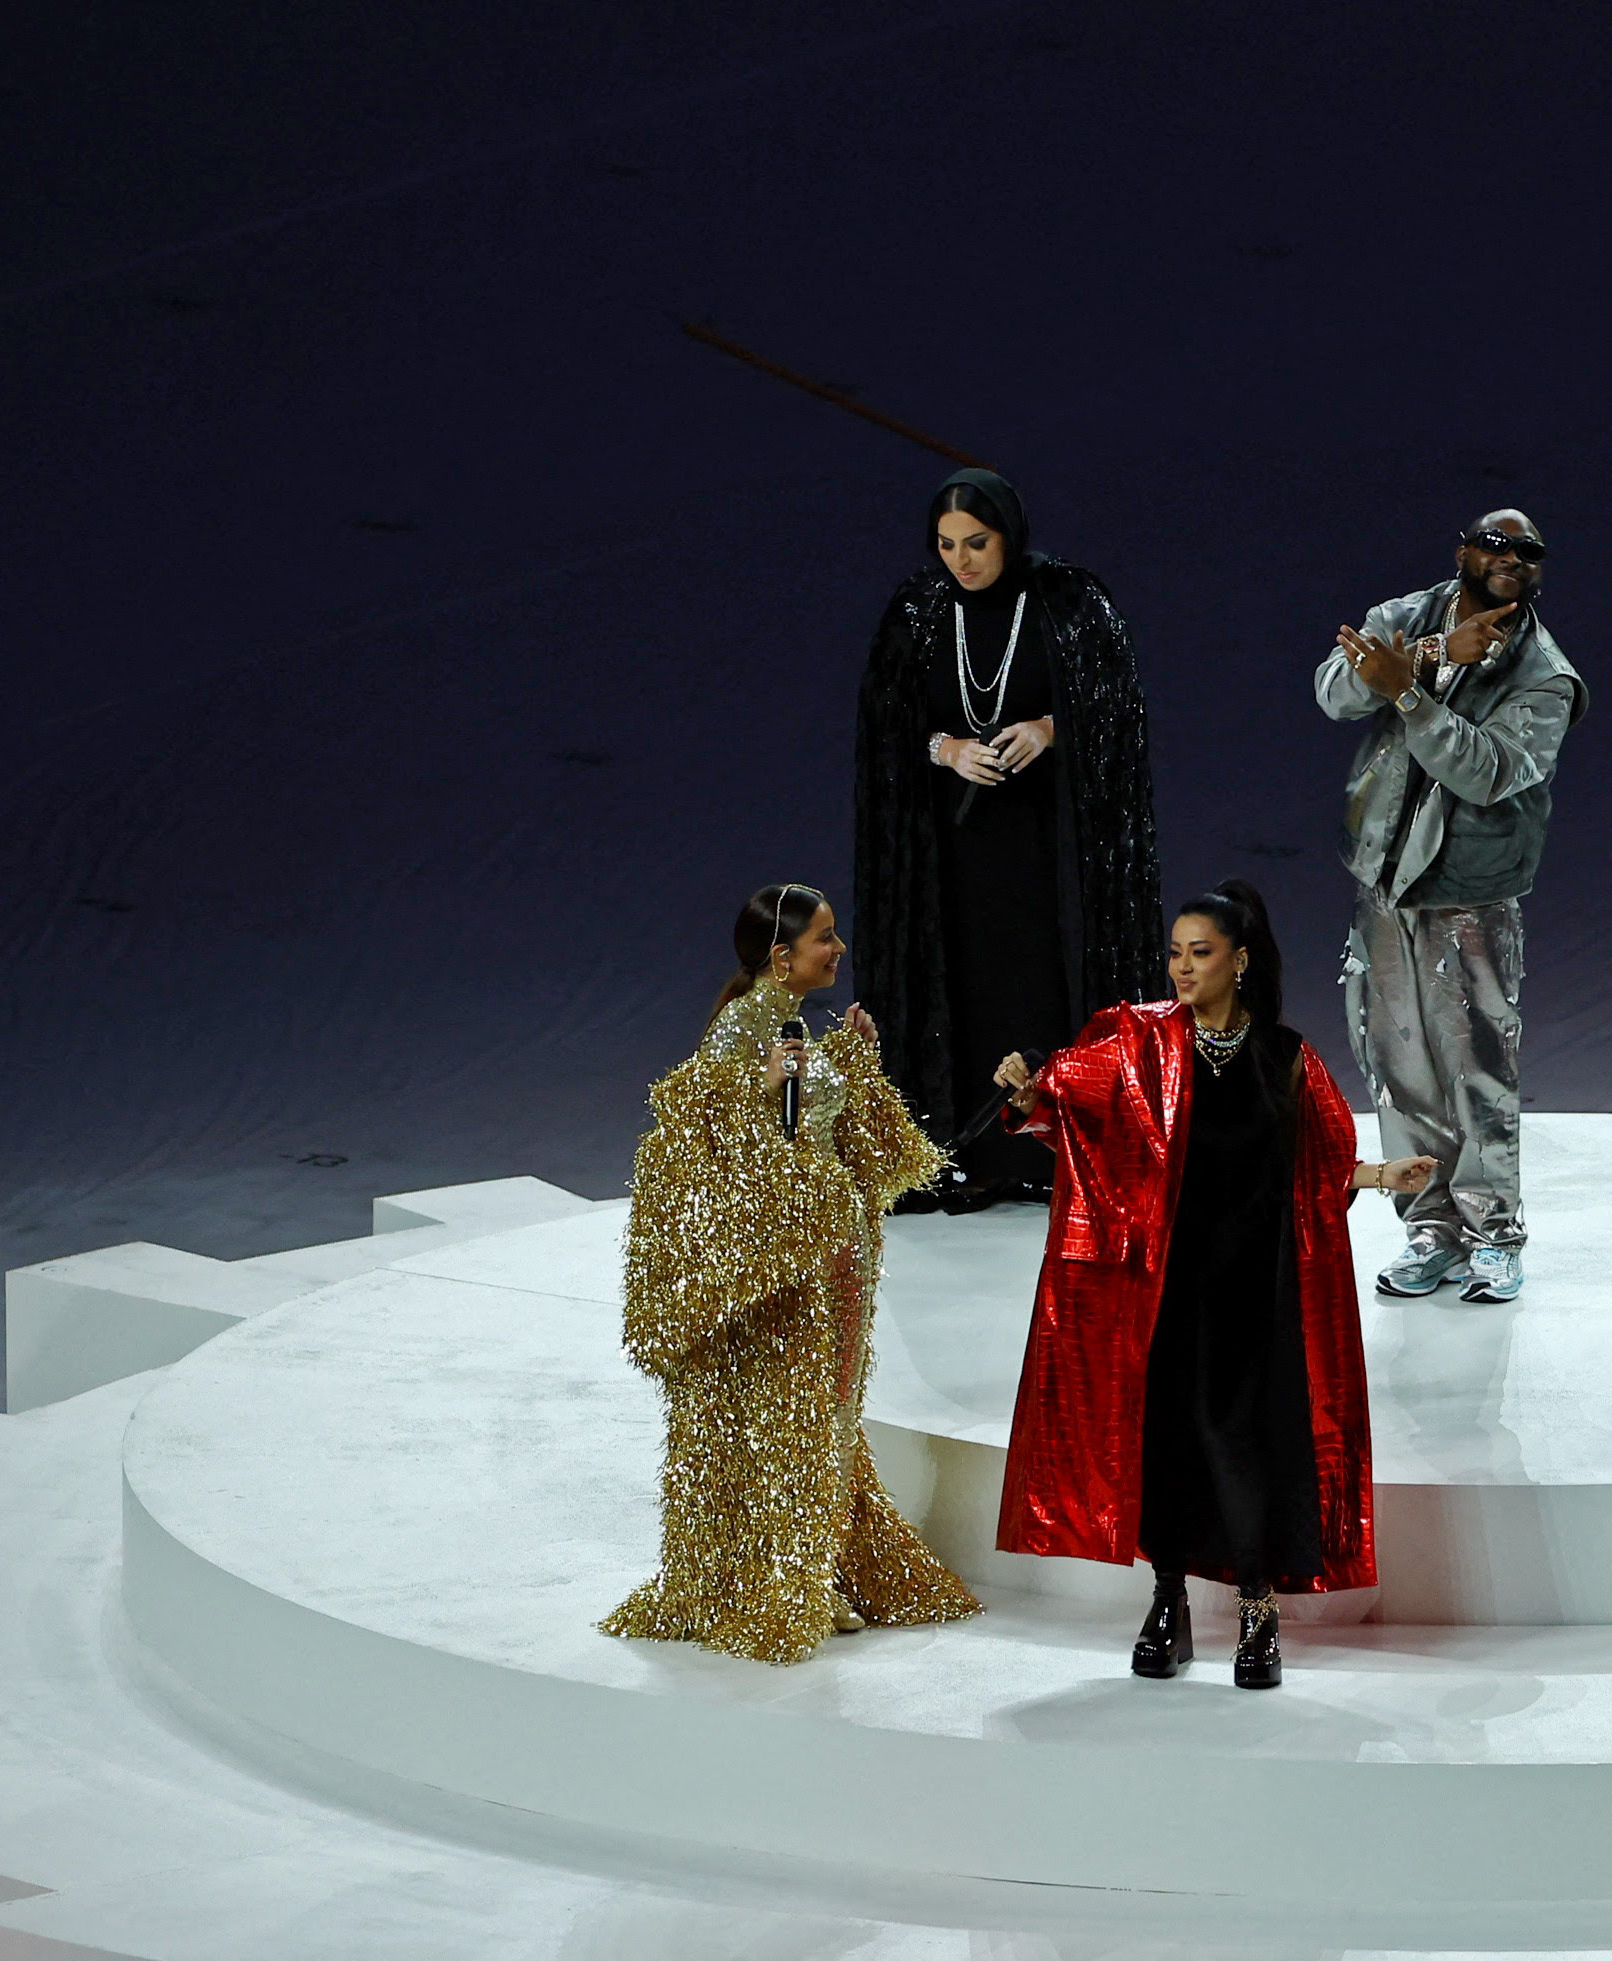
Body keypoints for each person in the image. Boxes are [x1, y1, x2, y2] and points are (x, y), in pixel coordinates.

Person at [991, 881, 1433, 1689]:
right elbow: (1065, 1109)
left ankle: (1258, 1607)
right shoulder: (1136, 1046)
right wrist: (1029, 1095)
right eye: (1174, 952)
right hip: (1165, 1288)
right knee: (1167, 1442)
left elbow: (1316, 1164)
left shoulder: (1287, 1055)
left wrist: (1378, 1174)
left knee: (1246, 1445)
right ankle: (1168, 1600)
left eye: (1200, 953)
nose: (1182, 967)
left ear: (1239, 960)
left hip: (1257, 1291)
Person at [603, 883, 981, 1664]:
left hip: (834, 1263)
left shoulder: (786, 1023)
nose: (837, 950)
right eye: (824, 938)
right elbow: (723, 1159)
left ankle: (811, 1571)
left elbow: (830, 1138)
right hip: (793, 1275)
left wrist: (850, 1061)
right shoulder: (737, 1038)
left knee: (824, 1418)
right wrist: (770, 1096)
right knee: (792, 1425)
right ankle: (782, 1582)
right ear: (782, 955)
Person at [853, 467, 1164, 1212]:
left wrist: (1051, 729)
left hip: (1050, 848)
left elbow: (1119, 706)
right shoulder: (918, 610)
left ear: (1009, 536)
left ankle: (1062, 1149)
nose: (960, 560)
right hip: (953, 856)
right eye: (946, 544)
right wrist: (946, 750)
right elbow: (884, 728)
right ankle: (971, 1150)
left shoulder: (1067, 601)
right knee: (961, 979)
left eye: (977, 542)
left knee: (1046, 975)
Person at [1317, 510, 1587, 1304]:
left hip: (1471, 889)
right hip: (1383, 880)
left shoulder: (1544, 673)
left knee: (1476, 1067)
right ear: (1462, 551)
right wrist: (1425, 658)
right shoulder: (1404, 618)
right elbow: (1333, 694)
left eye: (1528, 551)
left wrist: (1408, 695)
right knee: (1395, 1062)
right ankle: (1429, 1228)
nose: (1510, 559)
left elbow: (1489, 771)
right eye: (1494, 545)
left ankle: (1494, 1234)